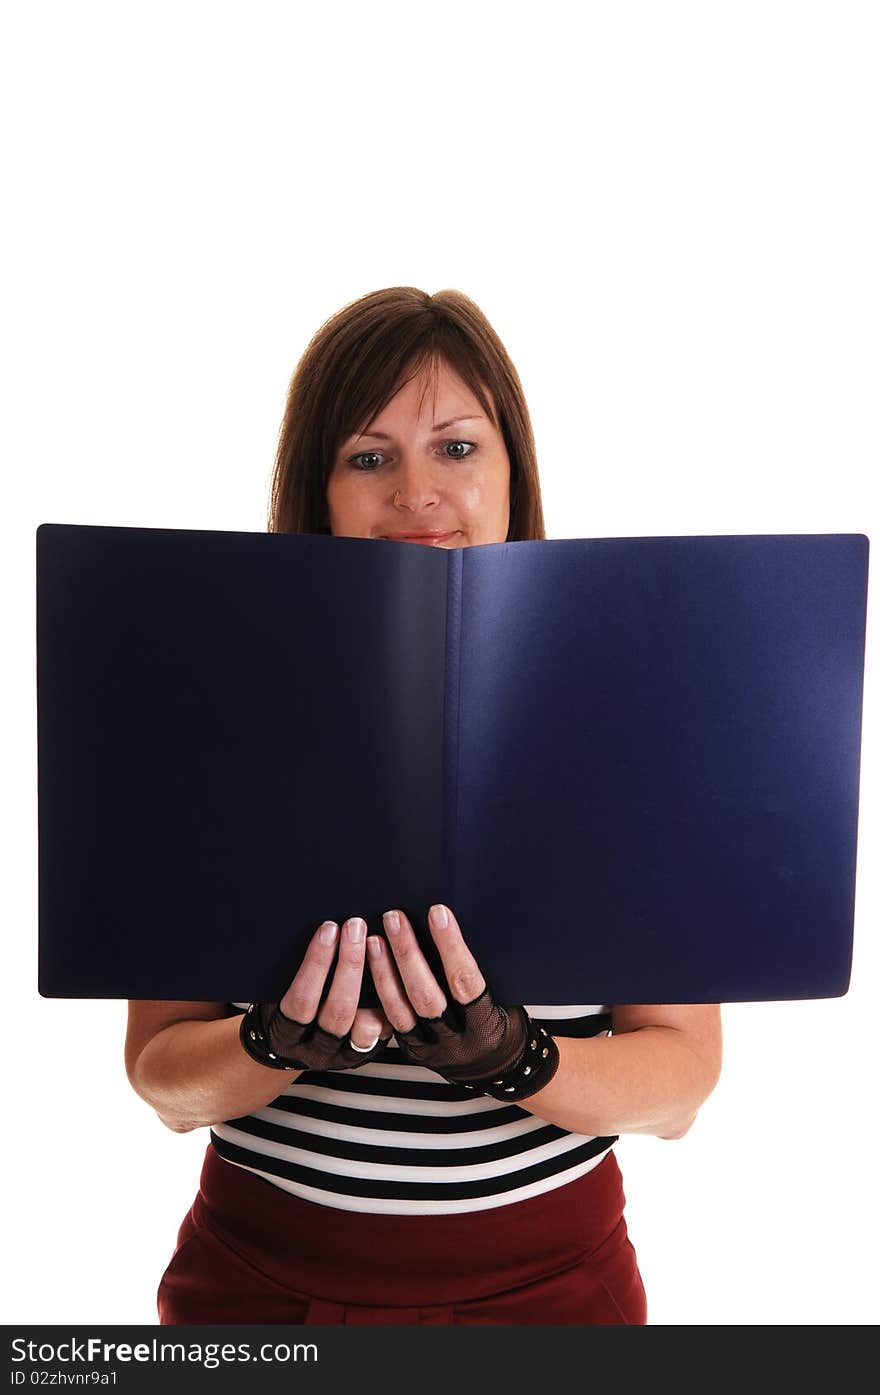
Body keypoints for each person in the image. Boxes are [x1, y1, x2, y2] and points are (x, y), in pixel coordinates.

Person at [125, 286, 722, 1326]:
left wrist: (517, 1058)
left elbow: (678, 1088)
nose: (415, 493)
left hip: (552, 1299)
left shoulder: (626, 717)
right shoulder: (215, 718)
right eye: (368, 457)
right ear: (318, 491)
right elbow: (163, 1083)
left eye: (455, 448)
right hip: (258, 1292)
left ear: (510, 474)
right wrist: (271, 1046)